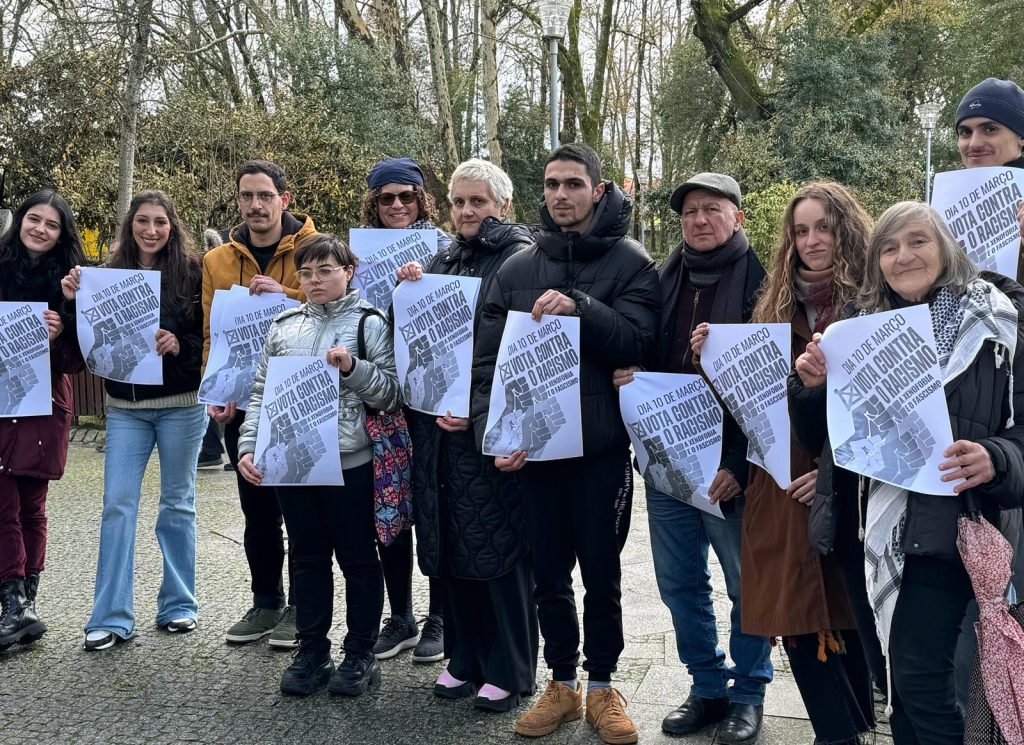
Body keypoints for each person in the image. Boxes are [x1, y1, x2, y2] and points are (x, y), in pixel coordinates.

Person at [792, 201, 1024, 744]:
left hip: (948, 529)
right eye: (889, 247)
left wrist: (996, 457)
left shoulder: (998, 323)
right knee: (892, 684)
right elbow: (822, 440)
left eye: (918, 241)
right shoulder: (856, 326)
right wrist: (811, 387)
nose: (903, 256)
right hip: (864, 533)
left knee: (923, 680)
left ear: (946, 248)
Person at [472, 143, 660, 745]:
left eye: (574, 184)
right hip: (533, 454)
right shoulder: (516, 269)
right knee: (547, 575)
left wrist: (580, 307)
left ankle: (602, 685)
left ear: (598, 191)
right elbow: (484, 366)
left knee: (602, 574)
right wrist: (489, 432)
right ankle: (560, 684)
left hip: (601, 452)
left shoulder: (632, 262)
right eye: (552, 184)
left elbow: (637, 343)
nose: (561, 195)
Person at [692, 182, 876, 744]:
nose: (812, 240)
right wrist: (713, 356)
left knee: (846, 612)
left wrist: (836, 473)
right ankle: (836, 733)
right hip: (776, 485)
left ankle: (851, 730)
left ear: (846, 229)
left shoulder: (873, 303)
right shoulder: (771, 304)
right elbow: (751, 401)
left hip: (843, 484)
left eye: (824, 227)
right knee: (793, 617)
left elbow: (887, 405)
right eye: (801, 230)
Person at [613, 173, 773, 744]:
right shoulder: (663, 278)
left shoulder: (764, 285)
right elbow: (643, 345)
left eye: (712, 209)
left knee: (745, 583)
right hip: (668, 463)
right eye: (688, 213)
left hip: (732, 468)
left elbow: (769, 387)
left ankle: (749, 692)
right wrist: (631, 373)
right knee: (678, 582)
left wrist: (740, 462)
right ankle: (706, 685)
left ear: (739, 217)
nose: (698, 221)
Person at [396, 159, 538, 712]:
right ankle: (465, 657)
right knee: (455, 546)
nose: (466, 211)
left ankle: (510, 667)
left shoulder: (521, 258)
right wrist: (408, 290)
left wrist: (480, 415)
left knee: (499, 549)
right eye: (458, 202)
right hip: (440, 432)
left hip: (488, 429)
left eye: (478, 202)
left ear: (503, 205)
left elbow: (522, 349)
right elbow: (415, 340)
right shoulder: (443, 258)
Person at [236, 233, 400, 697]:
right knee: (306, 559)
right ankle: (312, 651)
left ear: (349, 272)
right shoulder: (284, 325)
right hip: (293, 465)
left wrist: (352, 368)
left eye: (325, 270)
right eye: (306, 273)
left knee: (358, 559)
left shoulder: (370, 322)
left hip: (351, 462)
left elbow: (390, 394)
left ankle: (361, 654)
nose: (314, 280)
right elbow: (260, 393)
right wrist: (249, 448)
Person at [65, 190, 207, 650]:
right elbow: (81, 342)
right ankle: (109, 617)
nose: (150, 230)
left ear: (173, 226)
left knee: (177, 504)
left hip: (182, 403)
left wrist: (178, 345)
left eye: (160, 222)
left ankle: (179, 604)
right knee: (117, 505)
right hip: (126, 409)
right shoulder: (103, 278)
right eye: (142, 221)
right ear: (130, 226)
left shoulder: (192, 272)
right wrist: (71, 301)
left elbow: (206, 337)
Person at [203, 160, 315, 649]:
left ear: (284, 199)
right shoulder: (216, 262)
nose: (255, 205)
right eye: (247, 196)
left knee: (303, 512)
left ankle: (302, 608)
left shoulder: (316, 247)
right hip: (244, 403)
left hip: (301, 400)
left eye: (265, 195)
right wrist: (216, 393)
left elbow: (335, 305)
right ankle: (266, 601)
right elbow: (212, 334)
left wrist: (286, 294)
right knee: (257, 510)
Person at [952, 77, 1024, 704]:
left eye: (990, 130)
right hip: (977, 431)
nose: (975, 143)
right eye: (966, 133)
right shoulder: (948, 217)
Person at [360, 156, 447, 663]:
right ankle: (402, 616)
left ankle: (440, 615)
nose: (397, 205)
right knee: (388, 508)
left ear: (421, 200)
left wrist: (425, 278)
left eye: (406, 196)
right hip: (381, 397)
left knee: (433, 505)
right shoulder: (356, 253)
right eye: (387, 197)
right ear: (374, 203)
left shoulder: (443, 248)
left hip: (433, 397)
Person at [0, 190, 86, 650]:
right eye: (34, 219)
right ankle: (15, 605)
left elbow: (78, 361)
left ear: (61, 235)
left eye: (51, 225)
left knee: (32, 506)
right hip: (0, 406)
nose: (40, 229)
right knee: (3, 505)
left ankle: (23, 606)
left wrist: (63, 323)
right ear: (21, 221)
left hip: (44, 405)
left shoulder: (71, 283)